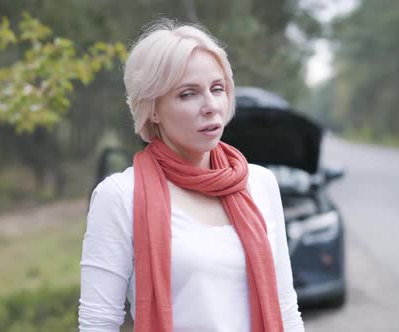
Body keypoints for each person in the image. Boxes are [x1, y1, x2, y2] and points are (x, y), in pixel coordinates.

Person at [78, 19, 305, 332]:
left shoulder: (260, 183)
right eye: (188, 94)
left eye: (217, 88)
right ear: (152, 109)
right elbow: (97, 324)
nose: (211, 106)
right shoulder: (119, 197)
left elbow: (285, 310)